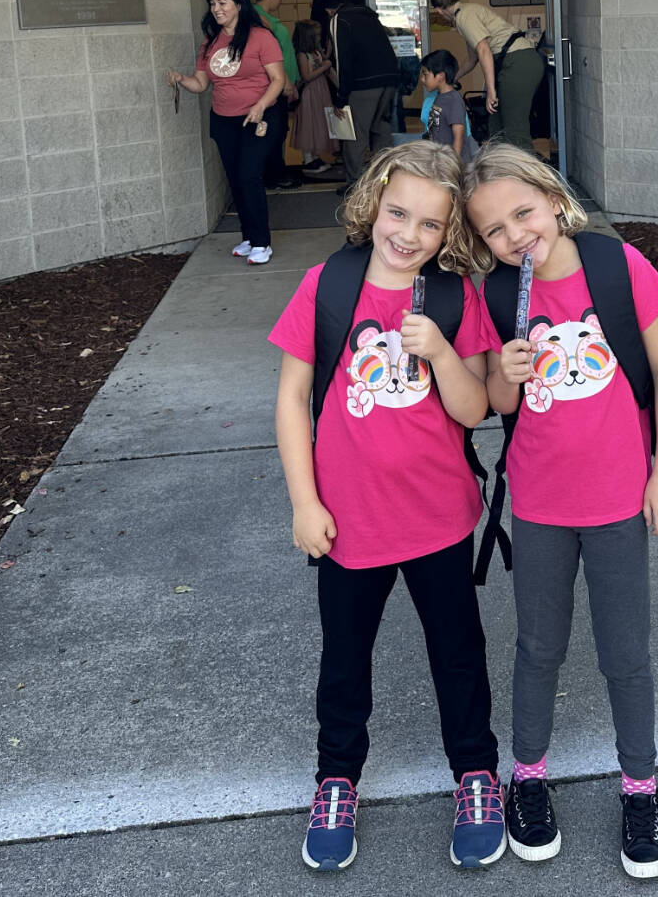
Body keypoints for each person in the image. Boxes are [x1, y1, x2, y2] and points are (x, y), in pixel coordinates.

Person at [271, 141, 506, 872]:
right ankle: (336, 780)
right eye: (398, 213)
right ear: (373, 202)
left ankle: (475, 775)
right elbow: (291, 399)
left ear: (449, 234)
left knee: (458, 655)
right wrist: (304, 502)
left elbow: (473, 411)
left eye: (430, 225)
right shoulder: (327, 285)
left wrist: (439, 351)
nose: (409, 234)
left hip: (437, 515)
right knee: (345, 661)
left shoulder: (450, 296)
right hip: (348, 519)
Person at [463, 143, 658, 880]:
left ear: (553, 199)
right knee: (539, 647)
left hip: (621, 500)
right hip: (537, 504)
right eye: (494, 230)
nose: (514, 236)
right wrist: (506, 370)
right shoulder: (497, 295)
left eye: (522, 213)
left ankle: (641, 788)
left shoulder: (617, 267)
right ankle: (525, 776)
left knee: (626, 653)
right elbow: (496, 403)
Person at [166, 0, 285, 266]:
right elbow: (201, 84)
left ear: (238, 5)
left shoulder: (260, 37)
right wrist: (182, 79)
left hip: (257, 118)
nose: (216, 9)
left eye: (222, 3)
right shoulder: (210, 43)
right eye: (212, 4)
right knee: (235, 179)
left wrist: (260, 105)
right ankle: (248, 237)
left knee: (249, 176)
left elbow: (278, 80)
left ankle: (261, 242)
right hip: (223, 120)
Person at [428, 0, 544, 154]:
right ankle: (499, 171)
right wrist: (452, 79)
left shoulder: (464, 17)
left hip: (518, 63)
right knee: (496, 126)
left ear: (438, 10)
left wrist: (490, 91)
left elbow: (483, 50)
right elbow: (472, 59)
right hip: (513, 63)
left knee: (514, 129)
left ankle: (529, 176)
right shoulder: (465, 15)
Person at [329, 0, 400, 187]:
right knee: (381, 129)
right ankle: (384, 180)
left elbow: (342, 60)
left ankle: (355, 184)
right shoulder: (370, 17)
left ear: (330, 10)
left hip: (364, 83)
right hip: (389, 78)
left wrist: (341, 97)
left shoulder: (340, 20)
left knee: (355, 133)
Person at [253, 0, 302, 191]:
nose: (281, 1)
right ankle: (273, 174)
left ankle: (276, 172)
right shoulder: (257, 20)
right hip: (275, 87)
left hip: (283, 86)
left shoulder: (267, 19)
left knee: (279, 131)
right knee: (274, 132)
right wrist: (286, 82)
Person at [292, 18, 336, 175]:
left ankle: (315, 156)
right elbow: (307, 76)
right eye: (316, 36)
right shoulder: (302, 55)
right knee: (308, 123)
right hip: (309, 93)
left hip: (319, 91)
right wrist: (325, 66)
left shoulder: (315, 52)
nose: (318, 38)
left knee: (318, 122)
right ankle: (308, 158)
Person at [420, 49, 472, 161]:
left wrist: (454, 164)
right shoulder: (439, 97)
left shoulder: (454, 100)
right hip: (441, 159)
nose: (422, 79)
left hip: (452, 163)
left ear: (440, 76)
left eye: (425, 74)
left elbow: (458, 135)